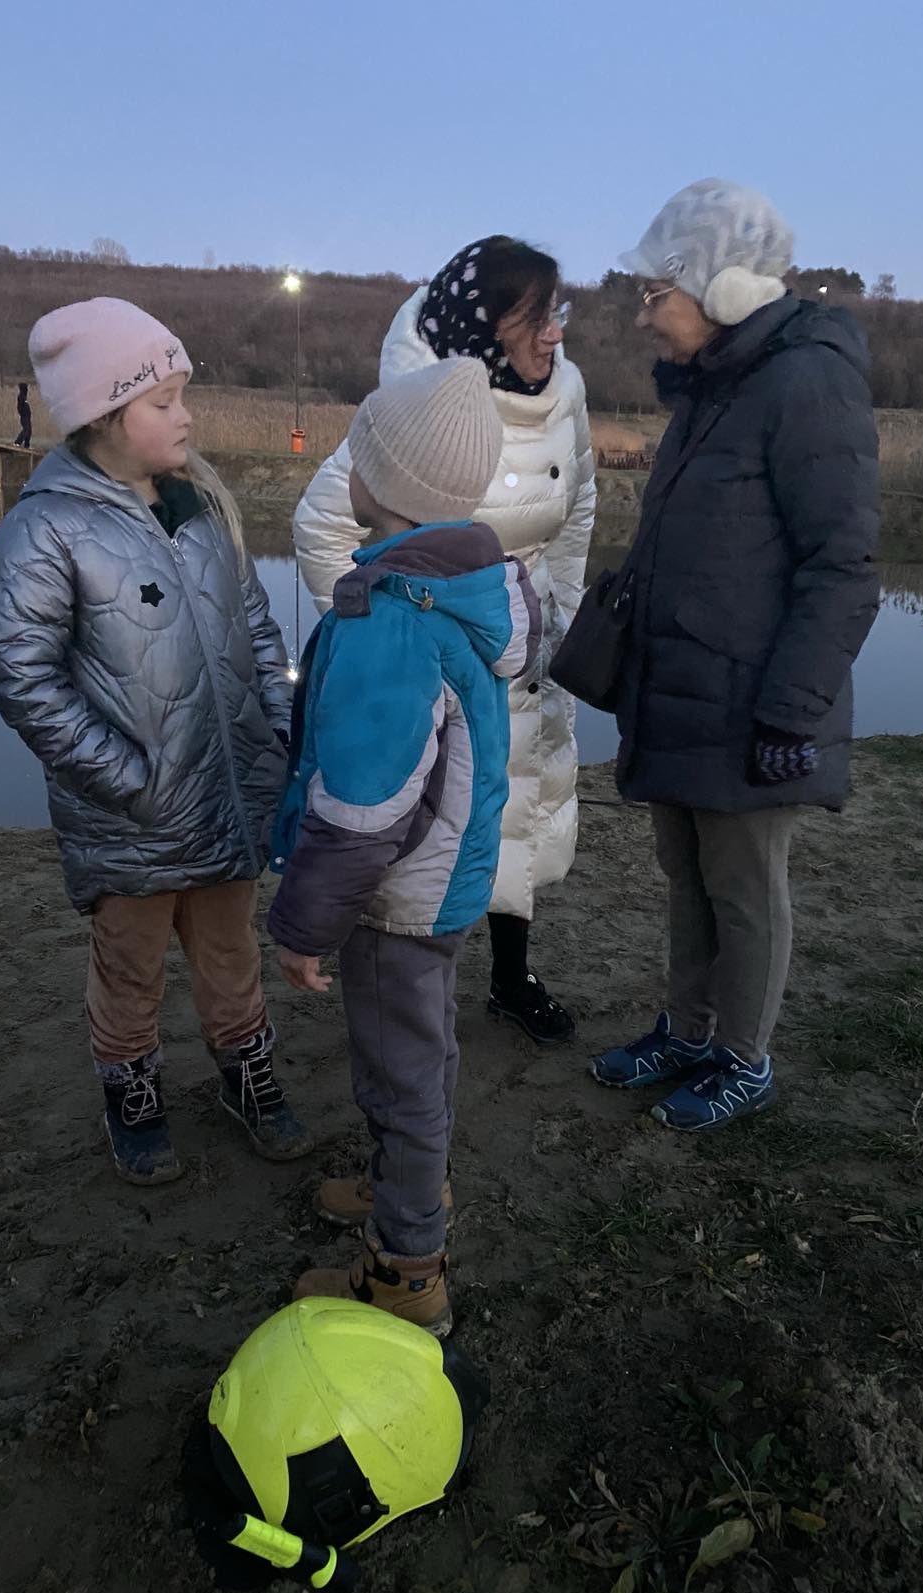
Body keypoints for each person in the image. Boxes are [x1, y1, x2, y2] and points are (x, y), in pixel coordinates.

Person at [0, 297, 312, 1184]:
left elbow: (253, 621)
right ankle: (132, 1092)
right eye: (163, 401)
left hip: (230, 792)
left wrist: (276, 731)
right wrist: (128, 777)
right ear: (104, 414)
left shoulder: (203, 507)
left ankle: (246, 1073)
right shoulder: (46, 528)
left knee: (231, 951)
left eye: (182, 396)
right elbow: (22, 674)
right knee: (129, 965)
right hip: (131, 812)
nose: (186, 416)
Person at [589, 179, 881, 1131]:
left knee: (744, 890)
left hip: (753, 700)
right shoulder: (718, 389)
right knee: (687, 873)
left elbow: (842, 566)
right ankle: (689, 1026)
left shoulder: (807, 381)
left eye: (653, 293)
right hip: (682, 688)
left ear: (718, 287)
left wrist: (793, 711)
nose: (644, 316)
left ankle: (743, 1057)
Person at [268, 356, 541, 1334]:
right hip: (440, 881)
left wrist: (302, 924)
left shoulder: (394, 620)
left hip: (396, 897)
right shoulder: (456, 587)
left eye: (359, 447)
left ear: (374, 481)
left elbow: (362, 809)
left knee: (401, 1067)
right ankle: (405, 1188)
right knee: (414, 1055)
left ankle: (406, 1266)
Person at [292, 237, 594, 1044]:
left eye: (557, 313)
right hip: (449, 659)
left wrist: (552, 612)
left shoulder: (565, 393)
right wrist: (393, 640)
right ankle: (423, 1000)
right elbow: (321, 526)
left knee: (515, 817)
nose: (554, 335)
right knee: (442, 831)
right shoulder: (419, 407)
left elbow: (582, 503)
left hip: (517, 643)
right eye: (534, 319)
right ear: (480, 323)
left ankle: (512, 977)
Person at [15, 381, 33, 448]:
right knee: (26, 429)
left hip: (27, 417)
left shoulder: (24, 397)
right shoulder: (21, 396)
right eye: (26, 388)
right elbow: (19, 407)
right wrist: (23, 413)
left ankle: (27, 445)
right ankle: (17, 442)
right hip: (24, 417)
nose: (27, 390)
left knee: (29, 431)